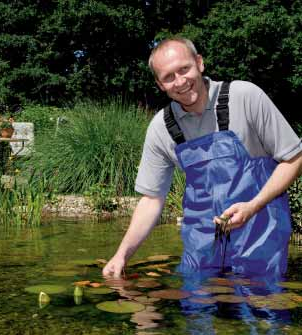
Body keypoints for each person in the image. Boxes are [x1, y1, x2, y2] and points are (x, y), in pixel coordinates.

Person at [102, 37, 302, 278]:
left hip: (261, 236)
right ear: (159, 84)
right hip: (202, 246)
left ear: (199, 63)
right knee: (196, 309)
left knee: (261, 309)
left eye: (184, 69)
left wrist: (252, 206)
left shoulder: (245, 96)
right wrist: (121, 254)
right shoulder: (161, 128)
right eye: (168, 77)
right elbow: (152, 200)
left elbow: (294, 158)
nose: (180, 81)